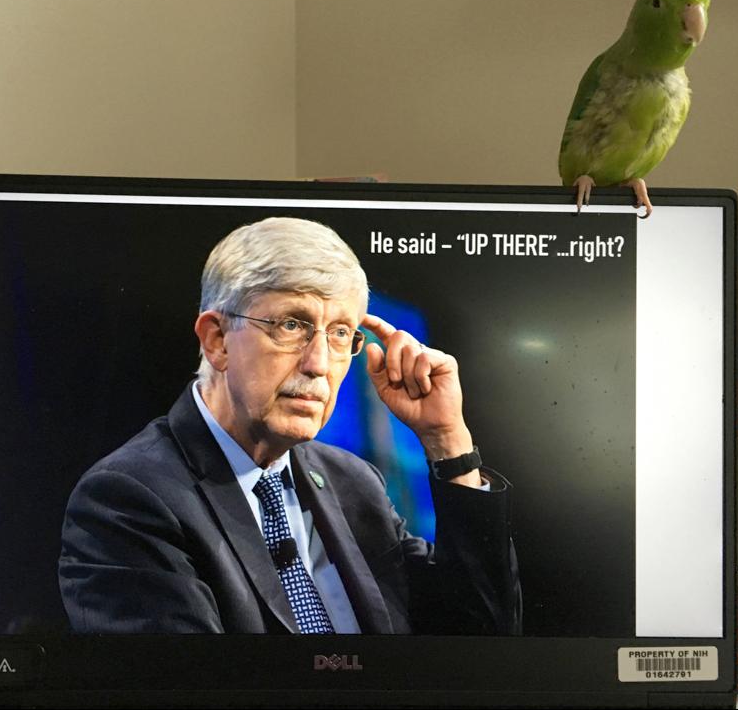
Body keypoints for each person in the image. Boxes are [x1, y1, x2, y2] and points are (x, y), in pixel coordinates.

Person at [58, 217, 521, 635]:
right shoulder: (130, 499)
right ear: (217, 340)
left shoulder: (354, 482)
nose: (319, 364)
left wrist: (448, 441)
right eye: (291, 325)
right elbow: (188, 694)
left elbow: (481, 644)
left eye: (340, 332)